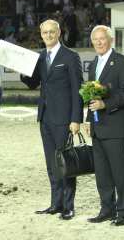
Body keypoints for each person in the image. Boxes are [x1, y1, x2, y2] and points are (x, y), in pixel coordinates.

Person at [21, 19, 83, 220]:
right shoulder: (40, 58)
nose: (48, 35)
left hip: (64, 119)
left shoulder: (70, 57)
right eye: (45, 33)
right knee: (51, 164)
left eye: (51, 32)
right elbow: (33, 83)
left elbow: (77, 90)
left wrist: (76, 119)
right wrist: (22, 70)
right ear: (41, 35)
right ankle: (55, 204)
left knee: (66, 163)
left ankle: (68, 206)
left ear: (59, 33)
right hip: (45, 118)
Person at [85, 25, 124, 226]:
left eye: (102, 39)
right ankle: (107, 208)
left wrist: (105, 104)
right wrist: (89, 119)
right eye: (95, 39)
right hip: (97, 127)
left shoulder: (122, 63)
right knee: (102, 172)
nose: (98, 42)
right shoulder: (93, 64)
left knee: (119, 170)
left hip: (115, 125)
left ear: (110, 40)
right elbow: (89, 96)